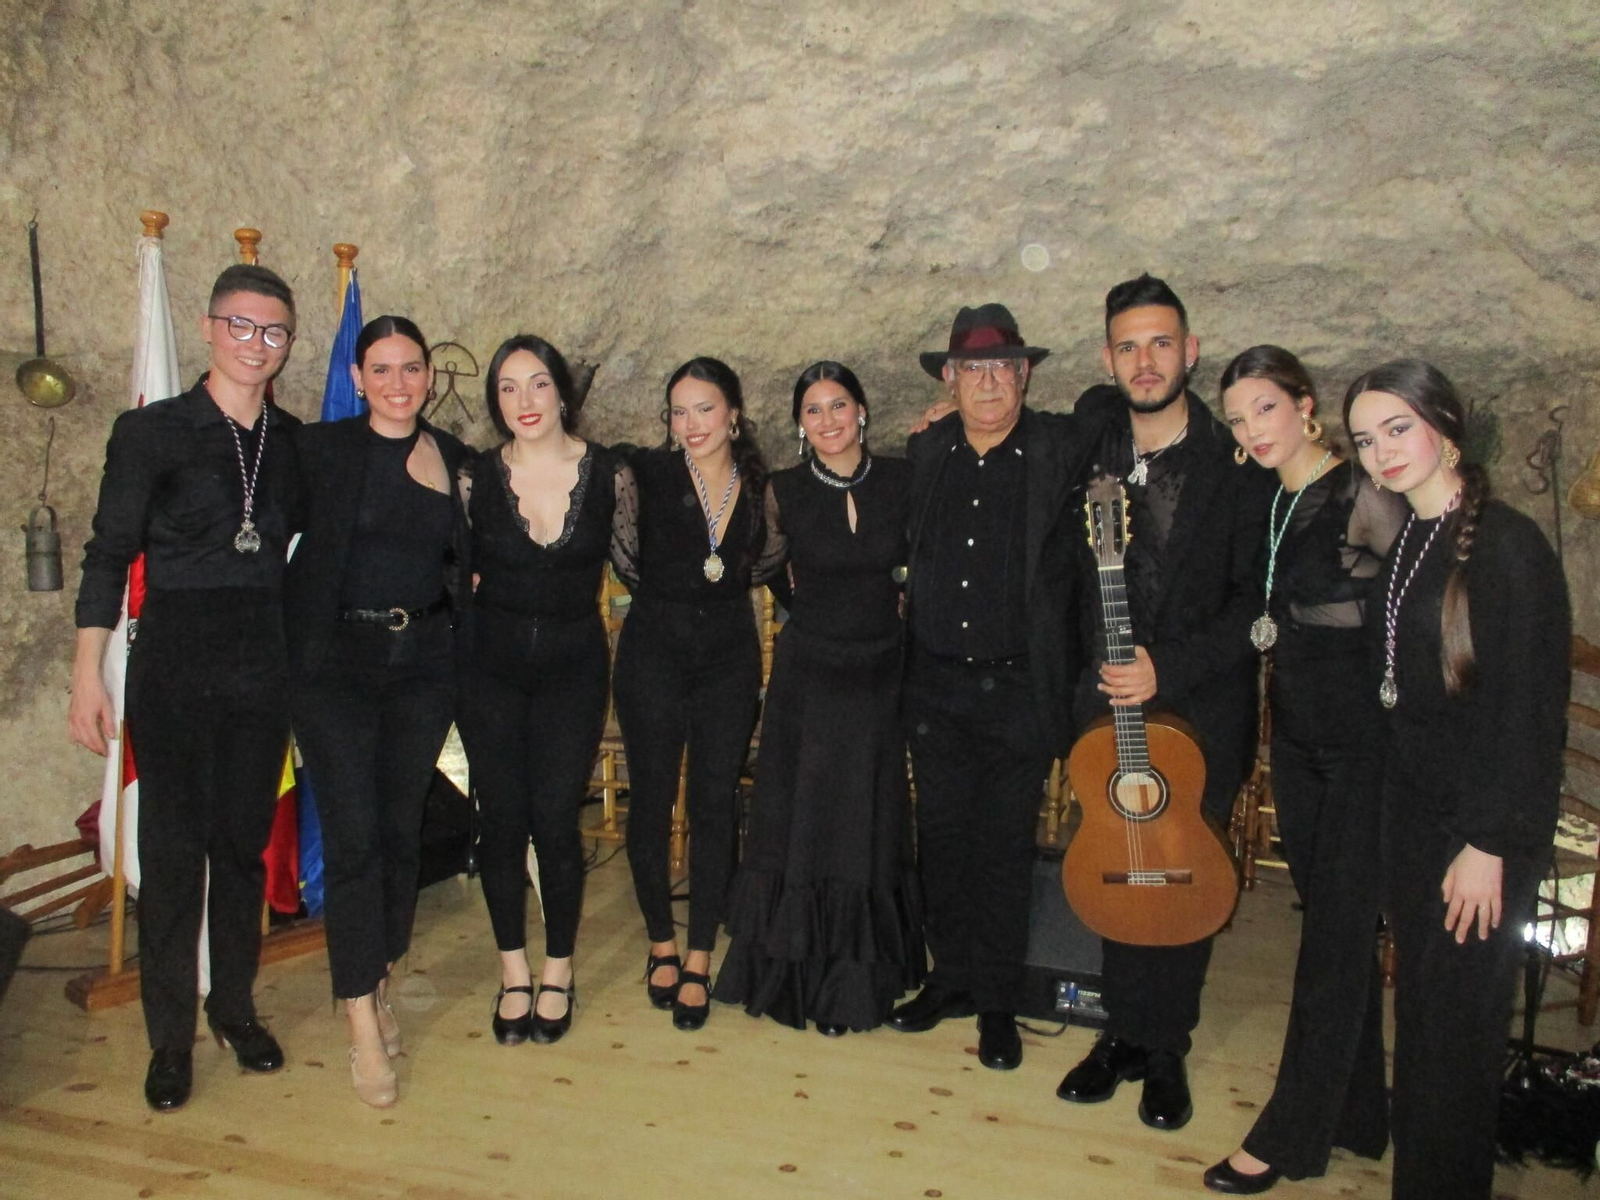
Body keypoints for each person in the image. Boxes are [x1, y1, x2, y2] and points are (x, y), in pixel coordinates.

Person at [69, 264, 303, 1112]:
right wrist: (85, 673)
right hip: (173, 662)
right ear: (208, 328)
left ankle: (233, 1008)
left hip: (261, 665)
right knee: (173, 859)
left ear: (286, 344)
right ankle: (170, 1039)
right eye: (241, 326)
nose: (256, 344)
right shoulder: (151, 432)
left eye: (273, 332)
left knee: (241, 851)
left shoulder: (293, 442)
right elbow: (105, 555)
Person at [1344, 360, 1568, 1200]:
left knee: (1458, 1040)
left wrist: (1488, 844)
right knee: (1428, 1028)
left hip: (1481, 832)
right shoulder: (1409, 539)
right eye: (1367, 440)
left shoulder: (1509, 547)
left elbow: (1527, 719)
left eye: (1397, 429)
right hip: (1415, 817)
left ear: (1445, 423)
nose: (1381, 454)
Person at [1057, 275, 1272, 1129]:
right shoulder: (1088, 443)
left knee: (1180, 874)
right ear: (1107, 359)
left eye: (1160, 344)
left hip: (1199, 708)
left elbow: (1256, 608)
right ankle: (1120, 1032)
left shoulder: (1239, 469)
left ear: (1189, 352)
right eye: (1126, 346)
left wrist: (1166, 669)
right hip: (1100, 702)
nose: (1144, 362)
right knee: (1115, 859)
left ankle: (1167, 1043)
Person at [1201, 346, 1408, 1194]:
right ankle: (1359, 1115)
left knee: (1328, 944)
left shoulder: (1365, 494)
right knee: (1336, 925)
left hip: (1366, 747)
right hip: (1299, 740)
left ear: (1306, 405)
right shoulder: (1271, 495)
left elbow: (1411, 619)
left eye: (1266, 410)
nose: (1251, 430)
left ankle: (1289, 1134)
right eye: (1238, 417)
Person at [893, 304, 1093, 1070]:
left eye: (1001, 369)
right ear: (949, 378)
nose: (986, 383)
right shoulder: (927, 450)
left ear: (1024, 376)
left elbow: (1114, 412)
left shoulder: (1058, 449)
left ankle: (1000, 1005)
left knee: (1004, 851)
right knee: (940, 843)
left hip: (1017, 691)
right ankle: (952, 981)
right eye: (971, 370)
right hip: (936, 689)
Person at [284, 316, 471, 1108]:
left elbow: (472, 560)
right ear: (356, 378)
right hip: (338, 670)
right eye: (382, 368)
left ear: (430, 376)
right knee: (356, 839)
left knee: (399, 835)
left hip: (424, 667)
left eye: (412, 368)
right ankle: (360, 1016)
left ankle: (376, 974)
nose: (399, 382)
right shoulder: (319, 452)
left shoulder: (455, 459)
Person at [714, 362, 923, 1034]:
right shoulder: (784, 490)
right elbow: (766, 568)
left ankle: (858, 982)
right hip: (811, 677)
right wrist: (814, 612)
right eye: (813, 410)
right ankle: (802, 977)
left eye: (839, 405)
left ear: (861, 410)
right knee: (804, 824)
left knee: (866, 824)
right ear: (800, 425)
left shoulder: (902, 479)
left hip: (881, 674)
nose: (828, 420)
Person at [456, 334, 637, 1049]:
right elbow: (446, 574)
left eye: (537, 385)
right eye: (507, 388)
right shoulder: (473, 479)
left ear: (563, 392)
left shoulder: (611, 474)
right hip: (488, 672)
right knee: (501, 822)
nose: (523, 401)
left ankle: (558, 970)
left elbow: (639, 565)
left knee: (556, 822)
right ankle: (513, 972)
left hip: (573, 671)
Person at [612, 357, 782, 1031]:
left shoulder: (763, 484)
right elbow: (624, 554)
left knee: (715, 804)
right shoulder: (644, 475)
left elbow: (767, 561)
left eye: (704, 409)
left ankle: (701, 953)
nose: (690, 425)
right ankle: (660, 939)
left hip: (727, 658)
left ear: (733, 413)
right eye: (677, 412)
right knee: (650, 797)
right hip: (652, 649)